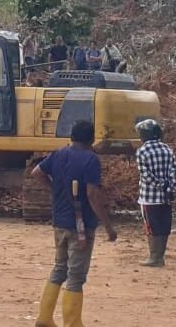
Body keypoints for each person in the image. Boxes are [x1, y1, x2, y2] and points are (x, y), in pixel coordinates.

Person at [31, 120, 118, 327]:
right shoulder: (91, 160)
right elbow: (92, 194)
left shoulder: (59, 154)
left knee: (60, 268)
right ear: (92, 139)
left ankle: (44, 318)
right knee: (76, 276)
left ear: (71, 136)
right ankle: (72, 323)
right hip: (82, 225)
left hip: (60, 221)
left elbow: (37, 173)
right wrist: (108, 225)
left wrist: (55, 191)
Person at [136, 119, 176, 267]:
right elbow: (174, 172)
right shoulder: (168, 149)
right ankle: (160, 255)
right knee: (163, 226)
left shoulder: (142, 151)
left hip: (149, 197)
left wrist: (159, 185)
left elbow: (146, 175)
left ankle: (154, 256)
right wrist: (170, 188)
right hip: (166, 197)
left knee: (151, 227)